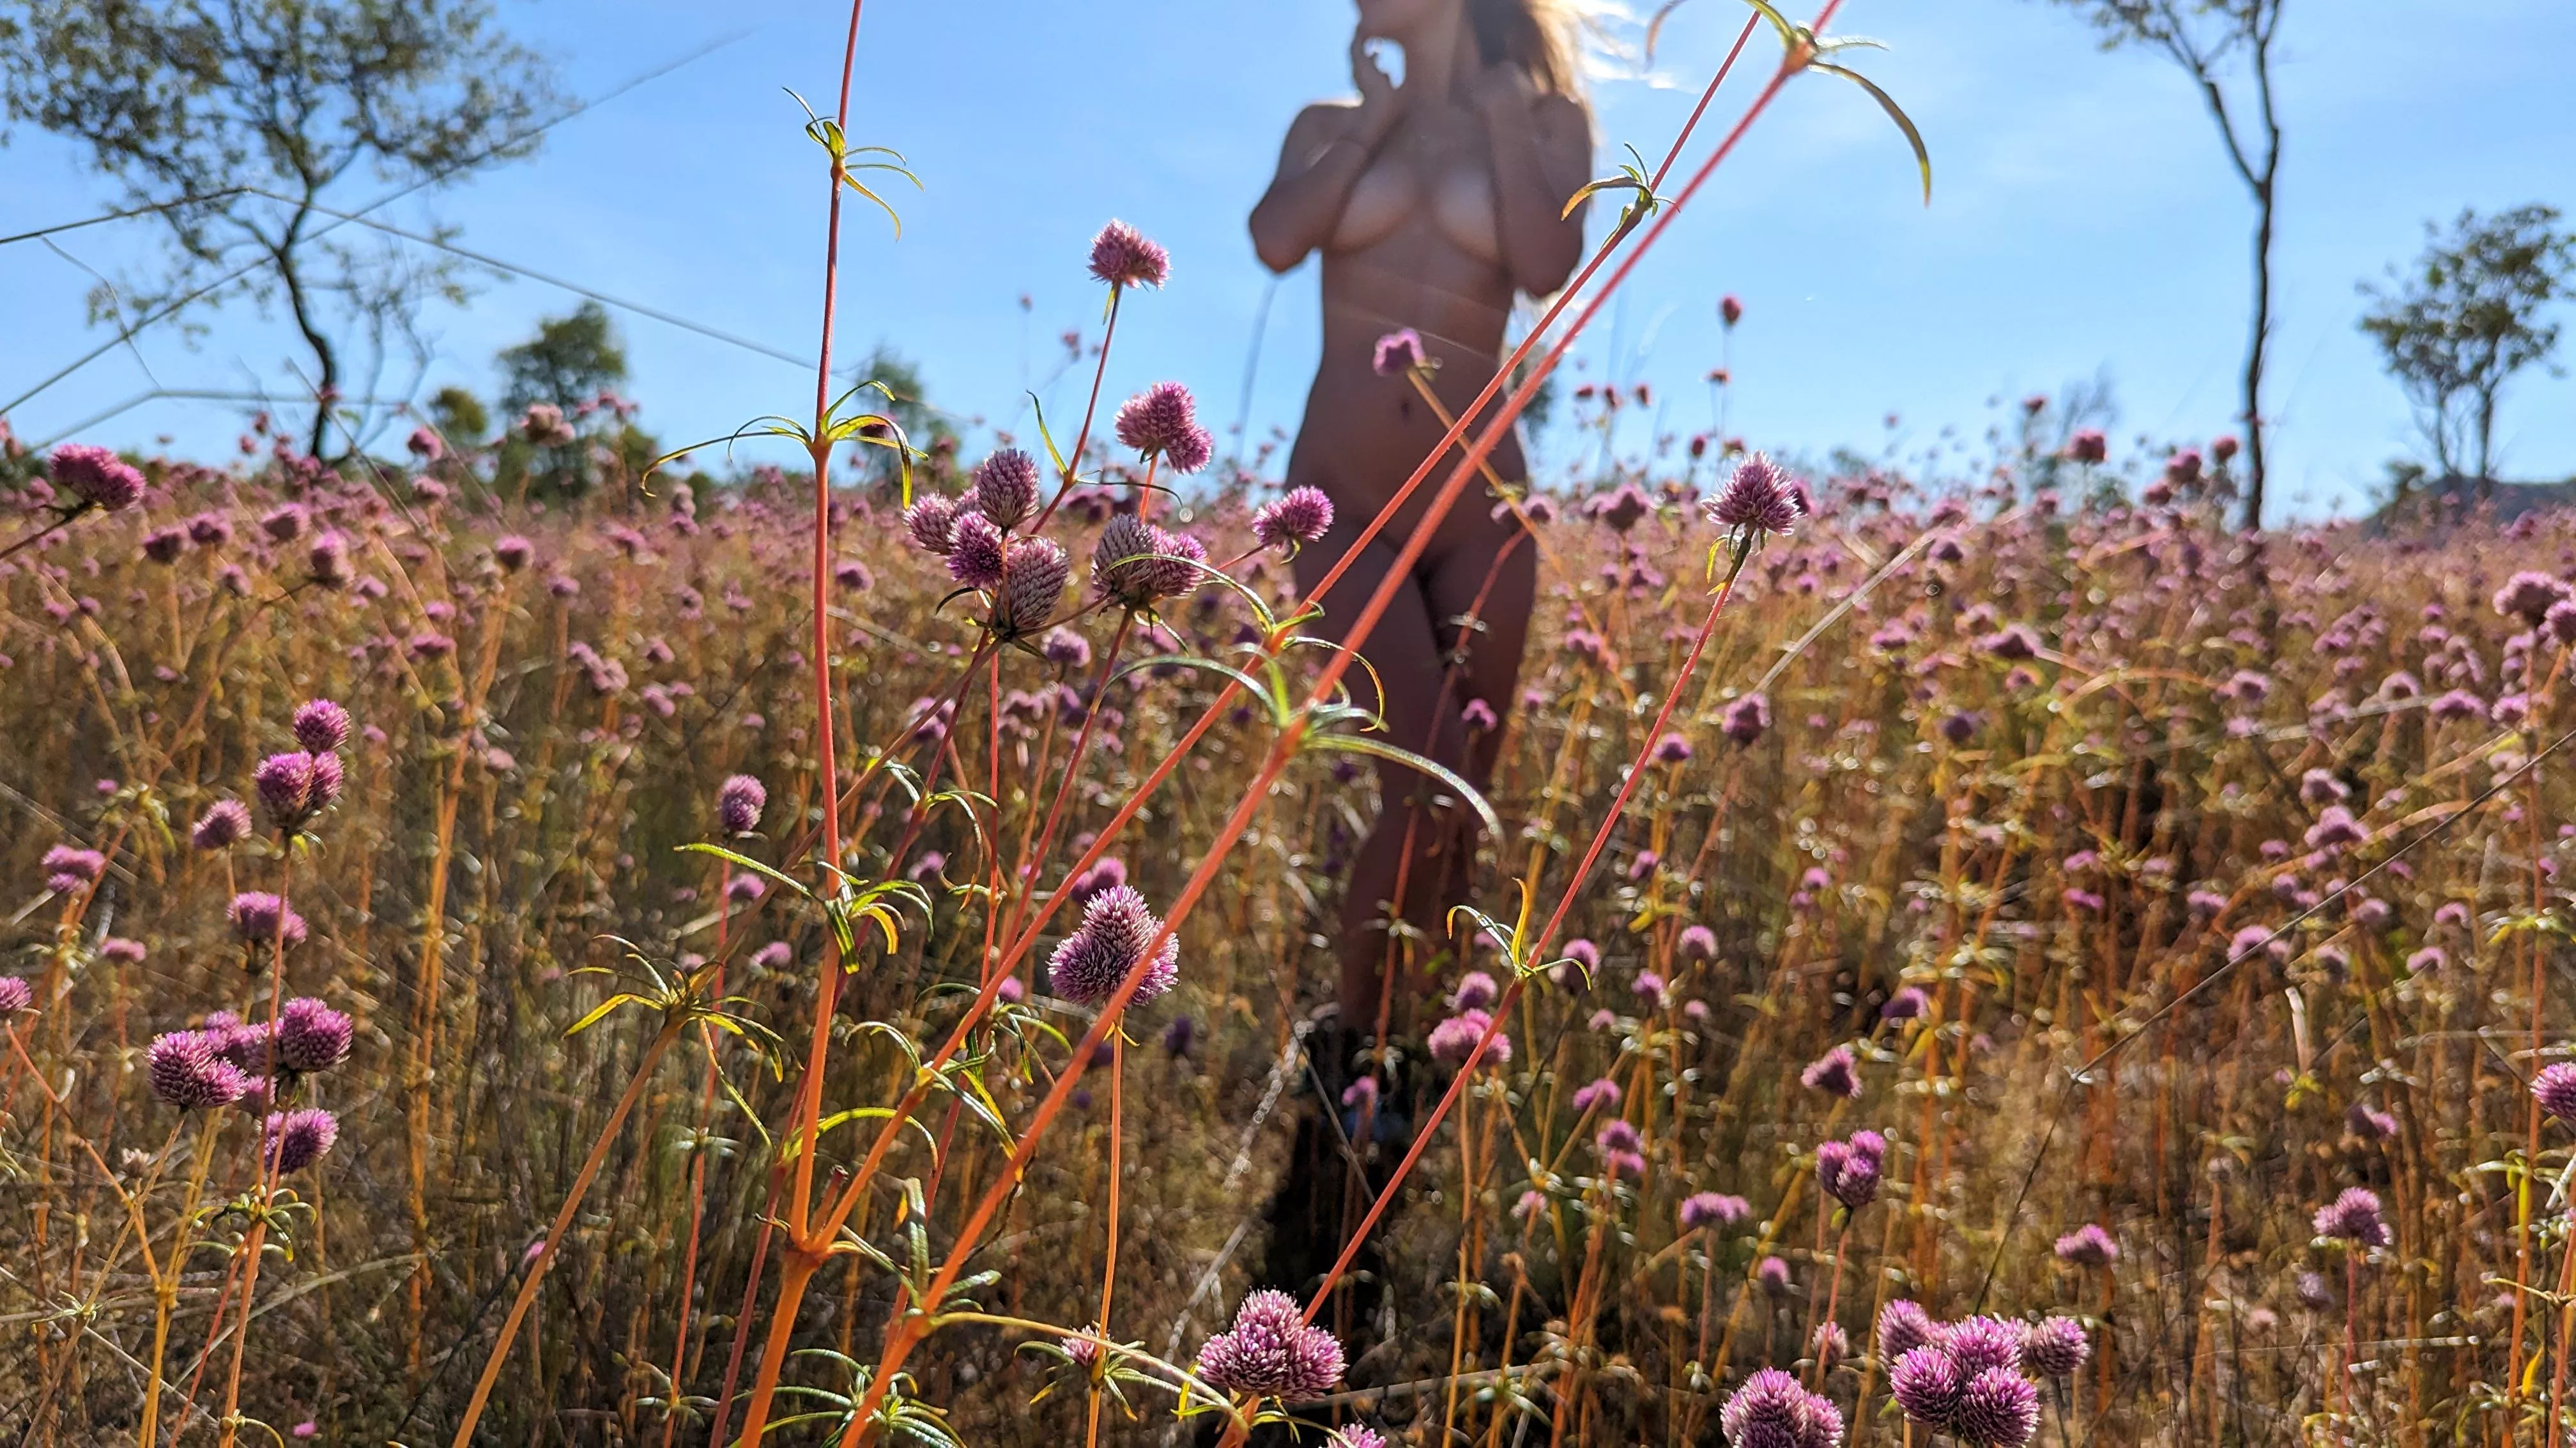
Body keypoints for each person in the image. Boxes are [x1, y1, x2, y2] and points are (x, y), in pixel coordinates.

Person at [1249, 0, 1593, 1054]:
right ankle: (1350, 1054)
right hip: (1341, 509)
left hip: (1481, 518)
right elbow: (1275, 239)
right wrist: (1377, 117)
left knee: (1461, 812)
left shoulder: (1548, 125)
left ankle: (1426, 1057)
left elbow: (1545, 264)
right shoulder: (1332, 119)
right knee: (1425, 778)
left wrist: (1497, 119)